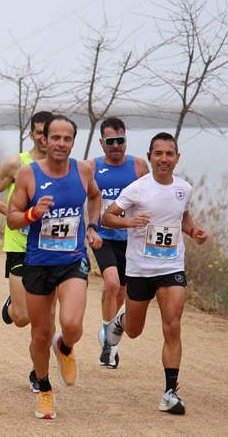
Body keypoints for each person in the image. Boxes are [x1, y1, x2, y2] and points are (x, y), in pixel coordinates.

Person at [102, 132, 207, 415]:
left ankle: (170, 393)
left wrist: (193, 231)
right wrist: (129, 222)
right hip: (139, 269)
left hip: (171, 267)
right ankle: (122, 320)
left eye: (169, 154)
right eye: (158, 154)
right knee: (135, 331)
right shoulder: (137, 188)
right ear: (149, 157)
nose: (163, 159)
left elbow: (183, 219)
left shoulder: (184, 188)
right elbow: (107, 217)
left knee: (172, 325)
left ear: (177, 158)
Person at [7, 114, 102, 419]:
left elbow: (96, 197)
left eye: (68, 138)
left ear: (73, 141)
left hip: (72, 261)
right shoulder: (28, 175)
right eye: (56, 138)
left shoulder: (84, 170)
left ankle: (66, 346)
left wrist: (93, 226)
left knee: (72, 325)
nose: (61, 144)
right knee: (39, 334)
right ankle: (45, 390)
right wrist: (34, 212)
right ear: (44, 140)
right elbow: (13, 218)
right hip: (37, 264)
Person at [0, 110, 52, 392]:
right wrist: (12, 213)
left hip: (51, 248)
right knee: (23, 318)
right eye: (40, 133)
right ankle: (10, 306)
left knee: (46, 319)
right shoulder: (17, 163)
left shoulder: (63, 167)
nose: (45, 140)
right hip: (20, 246)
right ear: (31, 134)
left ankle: (39, 374)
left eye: (50, 134)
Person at [84, 117, 149, 369]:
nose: (116, 146)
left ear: (125, 140)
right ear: (101, 142)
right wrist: (90, 228)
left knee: (123, 292)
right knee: (111, 284)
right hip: (104, 238)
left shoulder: (138, 166)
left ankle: (108, 330)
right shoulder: (91, 167)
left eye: (120, 141)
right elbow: (86, 199)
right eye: (110, 141)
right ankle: (109, 345)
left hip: (132, 239)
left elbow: (151, 195)